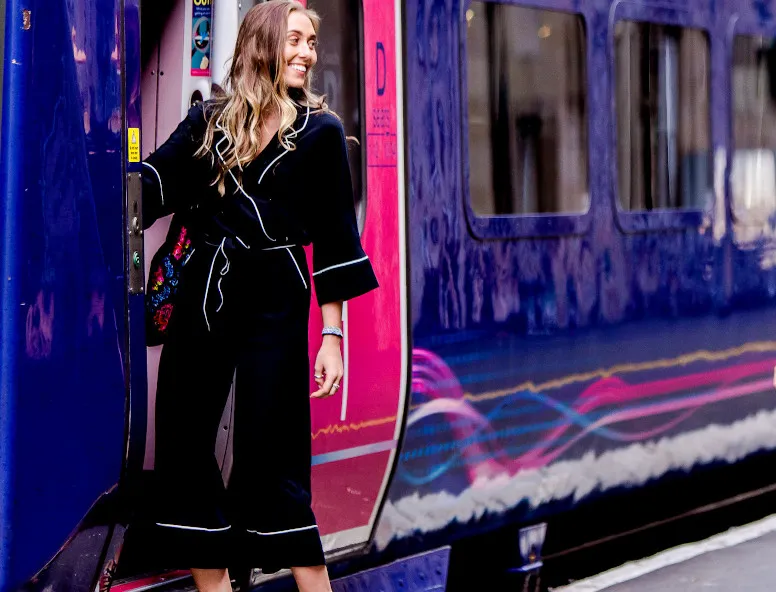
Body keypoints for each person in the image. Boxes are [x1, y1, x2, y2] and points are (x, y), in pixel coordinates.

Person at [139, 2, 378, 591]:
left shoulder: (319, 133)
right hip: (205, 299)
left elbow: (337, 238)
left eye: (312, 42)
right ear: (263, 43)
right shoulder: (212, 121)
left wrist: (332, 335)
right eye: (294, 39)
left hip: (276, 303)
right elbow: (158, 182)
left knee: (277, 460)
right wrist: (94, 165)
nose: (306, 53)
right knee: (183, 442)